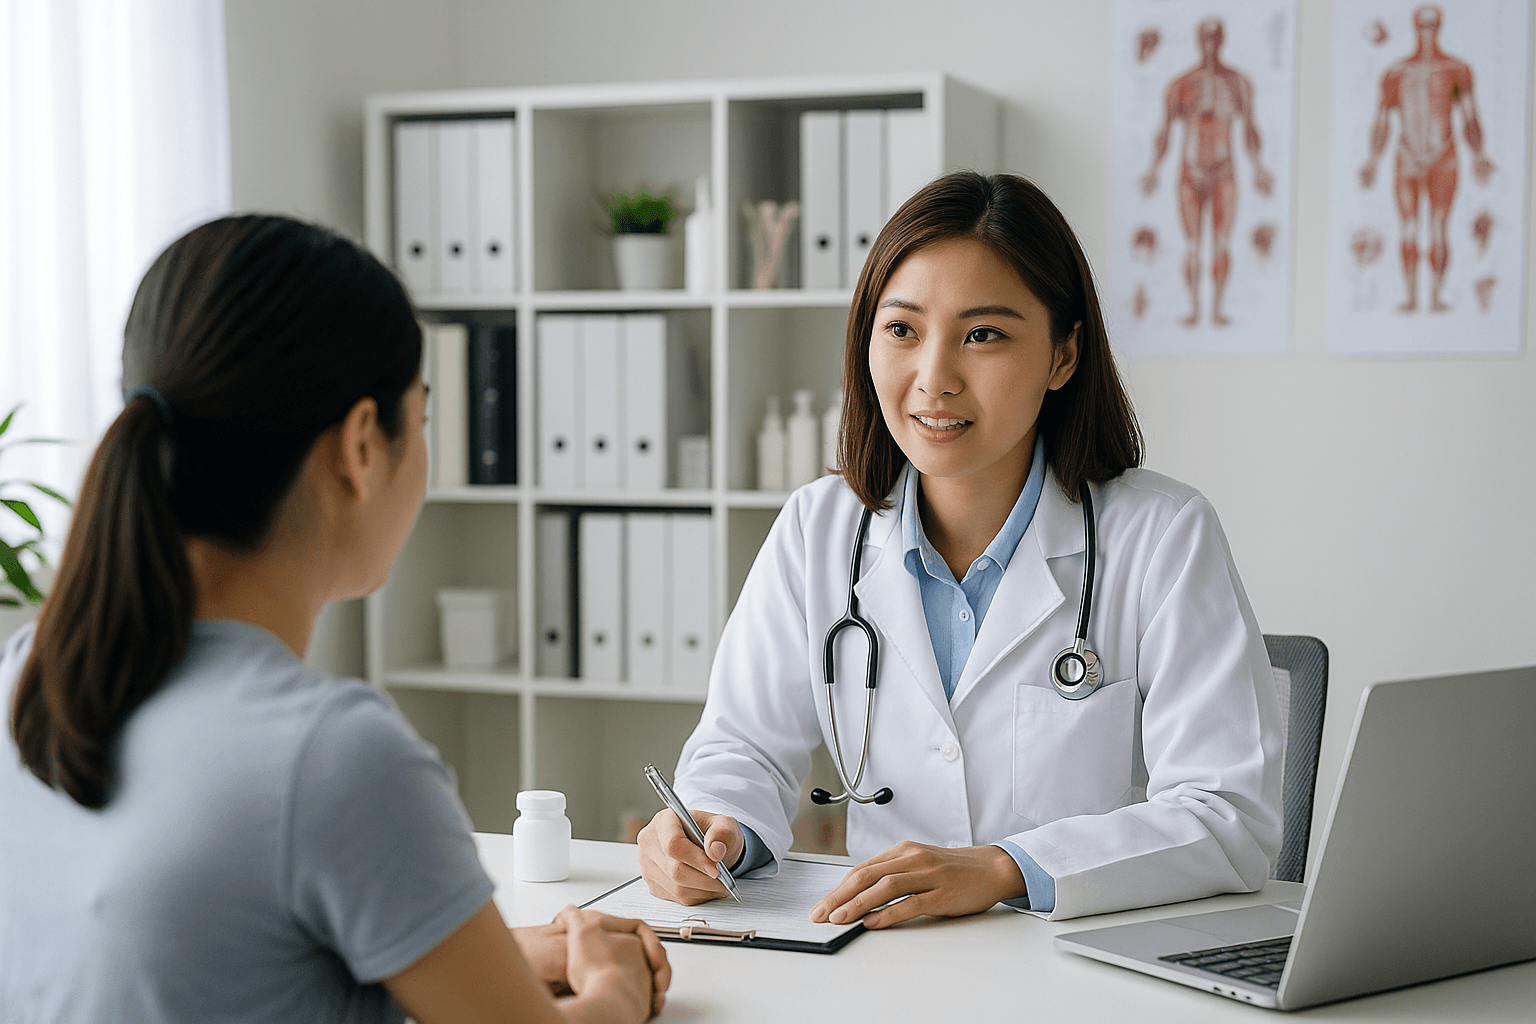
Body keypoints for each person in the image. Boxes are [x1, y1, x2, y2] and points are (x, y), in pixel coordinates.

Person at [2, 215, 670, 1024]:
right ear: (361, 446)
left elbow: (213, 952)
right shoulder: (333, 757)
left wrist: (497, 951)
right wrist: (616, 988)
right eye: (419, 419)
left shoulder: (32, 676)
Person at [637, 172, 1283, 924]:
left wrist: (1008, 869)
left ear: (1063, 357)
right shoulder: (819, 529)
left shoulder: (1161, 535)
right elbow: (742, 746)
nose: (934, 379)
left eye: (984, 335)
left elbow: (1228, 815)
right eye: (903, 330)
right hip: (881, 961)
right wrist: (717, 828)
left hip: (1077, 961)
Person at [1359, 4, 1495, 313]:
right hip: (1406, 158)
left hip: (1444, 156)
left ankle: (1435, 297)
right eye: (1423, 25)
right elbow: (1381, 120)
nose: (1428, 30)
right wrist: (1372, 160)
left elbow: (1470, 117)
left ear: (1440, 26)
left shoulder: (1457, 70)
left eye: (1433, 25)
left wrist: (1479, 155)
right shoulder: (1395, 72)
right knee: (1408, 228)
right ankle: (1410, 296)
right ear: (1414, 27)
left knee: (1438, 228)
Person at [1141, 17, 1274, 327]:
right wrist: (1152, 169)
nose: (1211, 44)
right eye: (1206, 37)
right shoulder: (1181, 84)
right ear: (1199, 40)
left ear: (1223, 39)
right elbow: (1164, 132)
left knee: (1222, 244)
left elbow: (1251, 130)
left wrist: (1258, 168)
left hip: (1224, 171)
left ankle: (1216, 310)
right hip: (1190, 172)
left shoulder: (1238, 83)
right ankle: (1193, 309)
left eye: (1216, 37)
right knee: (1192, 246)